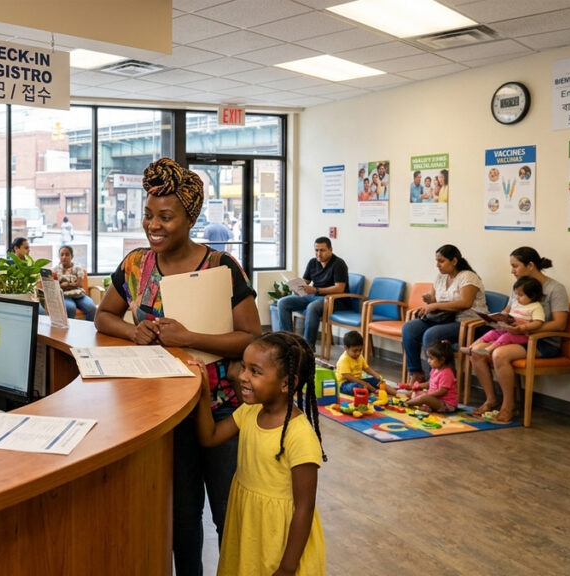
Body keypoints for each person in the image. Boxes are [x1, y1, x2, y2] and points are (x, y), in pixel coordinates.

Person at [95, 157, 262, 576]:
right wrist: (133, 331)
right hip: (166, 412)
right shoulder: (136, 265)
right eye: (148, 215)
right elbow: (103, 317)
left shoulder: (221, 267)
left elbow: (253, 340)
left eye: (166, 217)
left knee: (229, 515)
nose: (154, 225)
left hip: (222, 410)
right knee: (183, 519)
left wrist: (188, 337)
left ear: (190, 219)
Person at [192, 331, 326, 576]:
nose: (241, 377)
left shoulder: (300, 436)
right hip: (249, 527)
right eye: (243, 367)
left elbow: (304, 508)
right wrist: (203, 395)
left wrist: (287, 568)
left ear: (287, 382)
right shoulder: (249, 412)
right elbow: (209, 437)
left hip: (280, 540)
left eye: (255, 371)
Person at [469, 247, 569, 424]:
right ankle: (491, 399)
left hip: (542, 341)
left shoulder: (555, 289)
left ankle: (509, 406)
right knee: (476, 351)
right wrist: (496, 319)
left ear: (530, 265)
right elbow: (508, 311)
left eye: (515, 266)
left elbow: (560, 323)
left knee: (499, 354)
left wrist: (526, 328)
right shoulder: (518, 286)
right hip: (515, 335)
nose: (512, 270)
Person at [400, 244, 487, 386]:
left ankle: (433, 381)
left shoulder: (468, 277)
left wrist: (435, 305)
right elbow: (435, 300)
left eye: (441, 261)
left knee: (431, 335)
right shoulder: (440, 277)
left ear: (454, 261)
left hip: (466, 322)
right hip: (442, 318)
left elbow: (466, 303)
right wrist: (430, 301)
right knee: (409, 328)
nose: (437, 265)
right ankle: (416, 372)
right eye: (436, 261)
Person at [276, 236, 348, 350]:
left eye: (322, 250)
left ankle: (307, 347)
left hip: (334, 300)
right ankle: (288, 342)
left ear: (330, 250)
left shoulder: (339, 264)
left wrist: (316, 290)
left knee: (312, 307)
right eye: (316, 250)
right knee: (282, 302)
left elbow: (340, 288)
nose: (319, 254)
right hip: (314, 296)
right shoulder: (313, 262)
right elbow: (306, 281)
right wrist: (296, 286)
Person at [463, 276, 544, 357]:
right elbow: (508, 316)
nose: (516, 297)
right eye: (516, 294)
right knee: (491, 333)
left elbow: (538, 323)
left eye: (520, 295)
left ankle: (488, 350)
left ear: (532, 296)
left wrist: (523, 327)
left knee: (506, 337)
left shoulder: (536, 307)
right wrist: (498, 320)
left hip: (523, 335)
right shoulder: (516, 303)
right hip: (508, 330)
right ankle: (470, 347)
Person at [404, 340, 457, 413]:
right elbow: (430, 383)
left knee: (424, 397)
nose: (428, 361)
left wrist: (427, 394)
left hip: (446, 404)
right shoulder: (435, 369)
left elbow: (442, 391)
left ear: (442, 360)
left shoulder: (446, 374)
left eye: (431, 358)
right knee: (413, 392)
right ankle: (409, 399)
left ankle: (407, 403)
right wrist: (417, 386)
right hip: (435, 398)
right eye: (428, 358)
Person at [53, 245, 96, 320]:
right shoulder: (55, 270)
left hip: (79, 295)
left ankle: (88, 330)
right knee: (70, 308)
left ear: (72, 256)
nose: (64, 257)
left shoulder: (78, 268)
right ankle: (71, 331)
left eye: (67, 254)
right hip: (64, 296)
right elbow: (56, 286)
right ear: (59, 256)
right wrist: (73, 284)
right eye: (62, 254)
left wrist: (65, 285)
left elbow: (80, 284)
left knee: (92, 308)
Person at [335, 330, 384, 395]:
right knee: (356, 387)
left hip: (359, 381)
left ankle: (366, 390)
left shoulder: (359, 357)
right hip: (344, 384)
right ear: (346, 348)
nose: (358, 353)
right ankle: (366, 390)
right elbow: (349, 377)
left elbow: (366, 368)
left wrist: (376, 375)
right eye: (355, 351)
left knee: (376, 381)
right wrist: (364, 383)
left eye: (360, 350)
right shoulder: (344, 359)